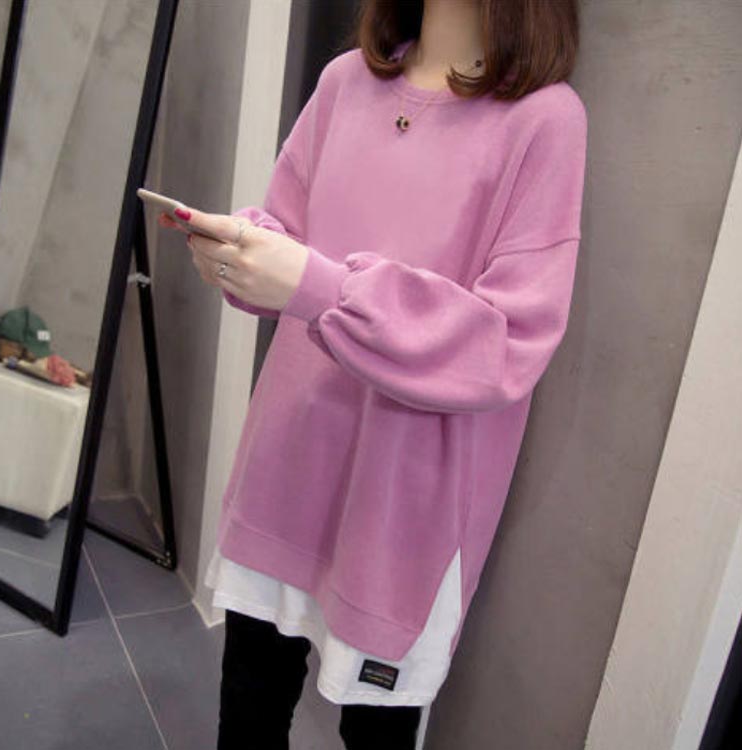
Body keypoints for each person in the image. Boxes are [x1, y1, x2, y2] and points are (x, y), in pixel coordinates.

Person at [159, 0, 586, 747]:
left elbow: (507, 341)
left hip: (404, 508)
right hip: (287, 460)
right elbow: (290, 231)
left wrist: (320, 287)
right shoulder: (344, 81)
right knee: (248, 707)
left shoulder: (544, 120)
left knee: (377, 736)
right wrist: (242, 250)